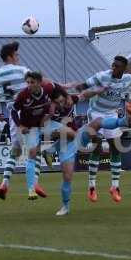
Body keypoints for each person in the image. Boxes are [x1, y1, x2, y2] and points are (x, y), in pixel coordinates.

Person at [75, 55, 131, 203]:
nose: (114, 68)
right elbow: (84, 85)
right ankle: (92, 187)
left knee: (115, 147)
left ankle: (115, 187)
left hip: (111, 114)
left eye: (117, 66)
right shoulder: (102, 76)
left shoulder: (128, 79)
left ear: (124, 68)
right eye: (113, 65)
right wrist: (78, 90)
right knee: (96, 146)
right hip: (96, 113)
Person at [0, 41, 45, 200]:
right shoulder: (23, 70)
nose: (18, 57)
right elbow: (34, 85)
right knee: (35, 151)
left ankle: (5, 182)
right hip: (27, 111)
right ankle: (33, 185)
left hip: (12, 114)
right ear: (10, 56)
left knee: (15, 151)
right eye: (16, 54)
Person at [12, 71, 75, 200]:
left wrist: (67, 96)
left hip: (45, 122)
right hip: (31, 127)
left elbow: (56, 86)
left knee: (72, 134)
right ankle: (31, 190)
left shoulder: (48, 88)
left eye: (32, 82)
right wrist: (20, 126)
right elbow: (13, 111)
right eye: (27, 82)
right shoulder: (23, 95)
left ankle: (49, 151)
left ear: (40, 83)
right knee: (32, 154)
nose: (29, 85)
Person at [49, 86, 106, 215]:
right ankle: (65, 206)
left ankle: (121, 121)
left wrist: (98, 91)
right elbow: (50, 134)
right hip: (65, 146)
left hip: (78, 135)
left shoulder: (70, 101)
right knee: (67, 177)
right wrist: (59, 132)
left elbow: (84, 95)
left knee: (98, 122)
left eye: (62, 101)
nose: (60, 105)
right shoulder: (49, 113)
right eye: (57, 103)